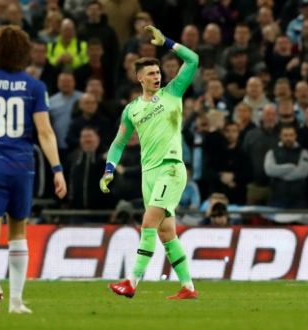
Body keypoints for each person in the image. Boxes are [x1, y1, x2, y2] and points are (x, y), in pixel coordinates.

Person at [0, 26, 67, 314]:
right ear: (23, 52)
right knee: (18, 231)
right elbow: (45, 133)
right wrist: (57, 170)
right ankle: (16, 301)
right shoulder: (35, 86)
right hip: (22, 165)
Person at [100, 26, 198, 299]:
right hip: (149, 174)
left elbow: (193, 60)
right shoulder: (131, 110)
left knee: (148, 224)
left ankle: (131, 282)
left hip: (171, 168)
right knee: (167, 234)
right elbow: (118, 144)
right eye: (152, 73)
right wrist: (108, 169)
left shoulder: (173, 93)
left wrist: (167, 42)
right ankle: (188, 288)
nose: (157, 76)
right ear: (139, 77)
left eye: (158, 72)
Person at [264, 125, 308, 209]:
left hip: (298, 199)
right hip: (277, 198)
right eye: (285, 135)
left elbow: (303, 172)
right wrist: (291, 167)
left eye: (291, 135)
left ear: (295, 136)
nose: (288, 138)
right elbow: (270, 170)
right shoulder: (272, 152)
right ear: (281, 136)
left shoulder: (304, 152)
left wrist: (281, 174)